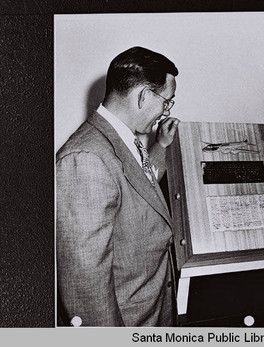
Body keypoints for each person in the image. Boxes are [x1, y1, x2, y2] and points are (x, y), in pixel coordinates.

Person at [56, 46, 180, 326]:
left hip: (148, 315)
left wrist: (160, 146)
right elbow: (85, 288)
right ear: (144, 96)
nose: (165, 110)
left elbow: (139, 187)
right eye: (166, 101)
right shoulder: (86, 158)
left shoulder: (118, 138)